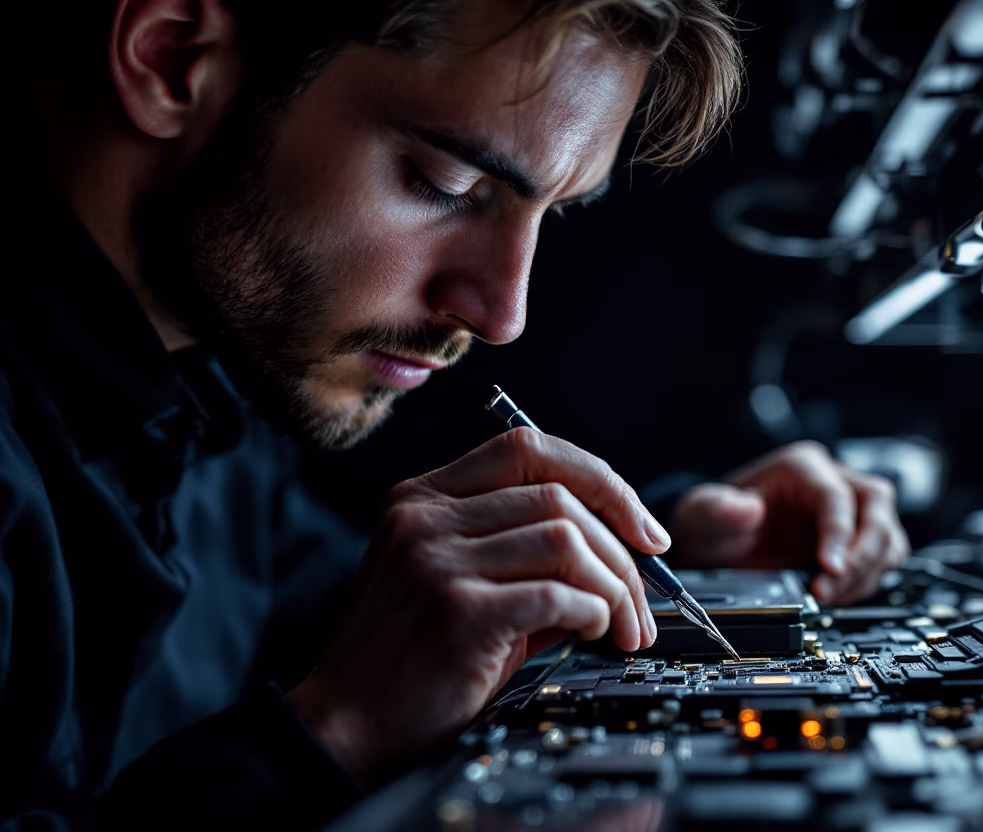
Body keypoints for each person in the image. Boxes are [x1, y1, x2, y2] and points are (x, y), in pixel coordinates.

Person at [0, 0, 908, 826]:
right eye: (446, 184)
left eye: (550, 214)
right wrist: (335, 735)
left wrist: (647, 553)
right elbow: (348, 681)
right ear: (170, 60)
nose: (501, 312)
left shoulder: (208, 398)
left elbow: (348, 611)